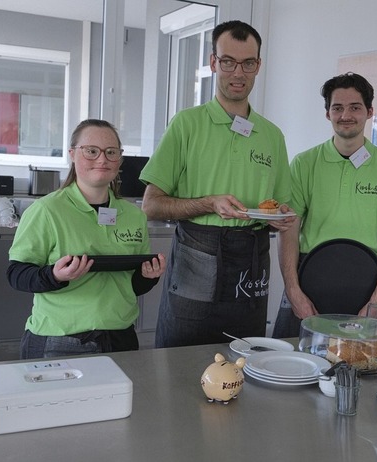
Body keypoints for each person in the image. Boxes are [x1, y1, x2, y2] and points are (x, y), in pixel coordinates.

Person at [140, 20, 294, 348]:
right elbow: (152, 204)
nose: (238, 73)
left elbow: (282, 206)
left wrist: (281, 216)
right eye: (228, 62)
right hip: (196, 256)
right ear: (213, 63)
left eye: (248, 63)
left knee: (244, 363)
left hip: (250, 266)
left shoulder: (272, 136)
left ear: (258, 66)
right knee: (178, 366)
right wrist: (208, 203)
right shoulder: (187, 124)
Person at [272, 72, 377, 338]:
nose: (345, 115)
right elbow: (289, 229)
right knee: (291, 361)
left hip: (366, 287)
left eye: (355, 107)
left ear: (369, 111)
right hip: (308, 279)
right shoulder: (305, 164)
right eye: (337, 108)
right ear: (328, 113)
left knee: (358, 369)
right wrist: (293, 290)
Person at [7, 119, 166, 359]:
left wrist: (148, 277)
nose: (102, 159)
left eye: (111, 152)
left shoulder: (133, 216)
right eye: (91, 151)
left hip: (120, 339)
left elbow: (131, 287)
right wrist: (54, 276)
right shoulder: (46, 211)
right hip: (59, 341)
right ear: (72, 154)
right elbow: (16, 274)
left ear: (120, 159)